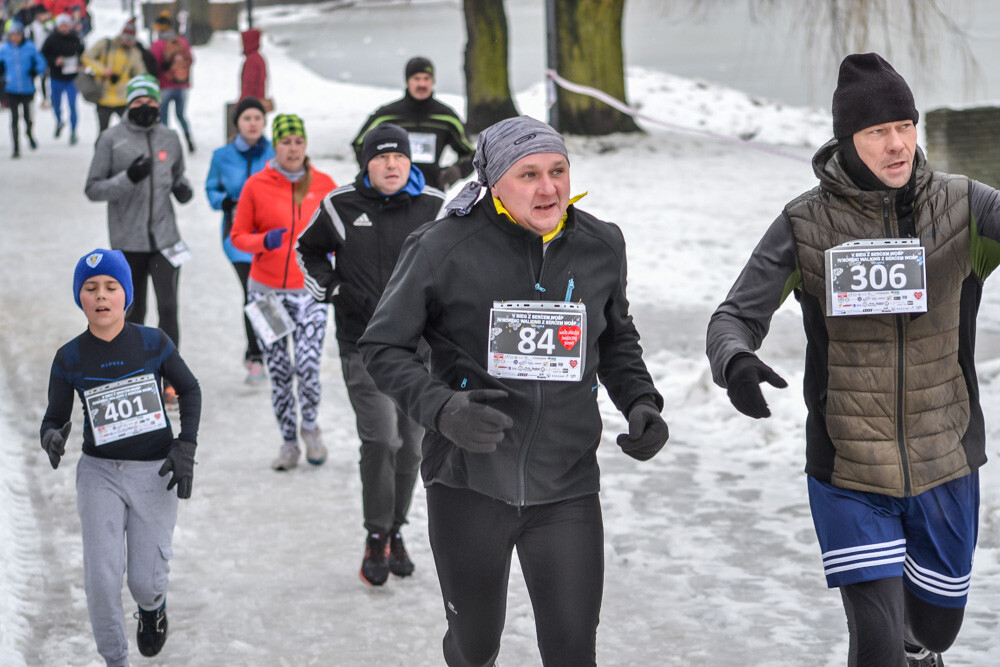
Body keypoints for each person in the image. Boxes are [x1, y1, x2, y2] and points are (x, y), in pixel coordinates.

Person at [705, 53, 1000, 667]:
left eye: (904, 126)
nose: (896, 145)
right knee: (875, 641)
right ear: (847, 139)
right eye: (876, 132)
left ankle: (922, 647)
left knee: (933, 631)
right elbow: (734, 315)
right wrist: (735, 361)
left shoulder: (965, 207)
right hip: (848, 469)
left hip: (946, 458)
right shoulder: (805, 223)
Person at [358, 115, 669, 666]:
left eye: (558, 170)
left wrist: (641, 401)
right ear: (494, 182)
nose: (548, 188)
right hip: (469, 482)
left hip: (567, 483)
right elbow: (383, 346)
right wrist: (441, 408)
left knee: (573, 652)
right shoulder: (440, 247)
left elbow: (616, 338)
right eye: (528, 174)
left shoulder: (601, 244)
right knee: (476, 648)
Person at [297, 124, 446, 586]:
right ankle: (376, 533)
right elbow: (308, 250)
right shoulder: (340, 206)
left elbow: (461, 262)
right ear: (367, 163)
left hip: (420, 350)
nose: (391, 165)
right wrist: (335, 288)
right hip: (363, 345)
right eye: (381, 158)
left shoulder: (437, 208)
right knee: (382, 439)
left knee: (413, 448)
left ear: (409, 161)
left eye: (398, 157)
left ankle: (397, 529)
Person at [40, 248, 201, 666]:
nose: (101, 296)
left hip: (155, 471)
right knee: (101, 578)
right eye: (91, 288)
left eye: (111, 287)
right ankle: (115, 659)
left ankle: (152, 608)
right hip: (99, 474)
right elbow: (54, 418)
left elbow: (190, 389)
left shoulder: (153, 343)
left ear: (126, 295)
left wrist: (186, 444)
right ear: (80, 298)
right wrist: (52, 438)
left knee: (145, 582)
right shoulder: (69, 357)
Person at [230, 113, 337, 471]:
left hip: (309, 291)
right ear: (275, 145)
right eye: (286, 142)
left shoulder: (323, 184)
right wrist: (263, 241)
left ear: (305, 145)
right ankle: (289, 443)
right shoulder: (256, 185)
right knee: (279, 371)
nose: (293, 148)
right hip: (266, 295)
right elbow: (237, 236)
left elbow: (340, 233)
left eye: (298, 141)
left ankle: (310, 427)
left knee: (307, 366)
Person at [84, 74, 193, 407]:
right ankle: (133, 378)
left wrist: (182, 188)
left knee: (169, 308)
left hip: (164, 240)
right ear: (129, 104)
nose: (145, 107)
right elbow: (93, 188)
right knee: (134, 312)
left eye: (150, 102)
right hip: (127, 243)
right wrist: (128, 178)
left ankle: (170, 379)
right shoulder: (111, 139)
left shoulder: (170, 137)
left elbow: (177, 174)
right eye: (138, 102)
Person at [205, 96, 274, 383]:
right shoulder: (222, 155)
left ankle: (272, 350)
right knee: (253, 294)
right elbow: (211, 189)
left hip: (271, 235)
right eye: (247, 118)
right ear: (238, 124)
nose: (253, 123)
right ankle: (256, 355)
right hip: (237, 237)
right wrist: (225, 202)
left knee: (269, 295)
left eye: (257, 118)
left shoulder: (275, 152)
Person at [351, 56, 474, 191]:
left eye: (426, 79)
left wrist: (457, 171)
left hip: (430, 191)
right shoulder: (387, 116)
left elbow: (471, 154)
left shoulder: (446, 117)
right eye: (416, 79)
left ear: (433, 81)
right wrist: (373, 172)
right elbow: (359, 144)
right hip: (390, 192)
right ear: (408, 81)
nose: (422, 84)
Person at [80, 17, 147, 133]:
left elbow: (142, 74)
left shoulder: (135, 53)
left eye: (131, 40)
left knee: (129, 131)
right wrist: (103, 70)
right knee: (103, 132)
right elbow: (86, 57)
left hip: (123, 99)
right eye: (126, 38)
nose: (128, 42)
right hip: (103, 97)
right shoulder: (106, 45)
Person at [0, 19, 46, 157]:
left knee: (27, 117)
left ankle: (29, 134)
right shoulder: (4, 49)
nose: (15, 37)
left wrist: (35, 71)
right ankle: (16, 147)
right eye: (12, 34)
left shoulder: (30, 47)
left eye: (17, 34)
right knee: (14, 119)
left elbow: (41, 62)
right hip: (11, 88)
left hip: (27, 89)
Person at [150, 12, 194, 152]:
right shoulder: (182, 42)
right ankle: (189, 140)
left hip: (165, 86)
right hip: (182, 85)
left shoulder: (158, 44)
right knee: (181, 115)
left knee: (163, 116)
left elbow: (154, 64)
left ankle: (166, 144)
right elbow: (191, 60)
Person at [41, 12, 83, 144]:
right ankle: (59, 122)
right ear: (57, 26)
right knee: (56, 104)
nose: (64, 28)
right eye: (61, 26)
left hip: (72, 78)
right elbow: (43, 55)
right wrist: (54, 60)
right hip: (56, 77)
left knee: (72, 105)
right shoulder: (51, 39)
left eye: (66, 25)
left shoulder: (75, 38)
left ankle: (74, 132)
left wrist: (79, 64)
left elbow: (83, 54)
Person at [239, 27, 266, 102]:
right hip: (256, 101)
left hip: (251, 102)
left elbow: (249, 85)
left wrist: (242, 103)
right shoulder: (257, 57)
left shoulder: (252, 60)